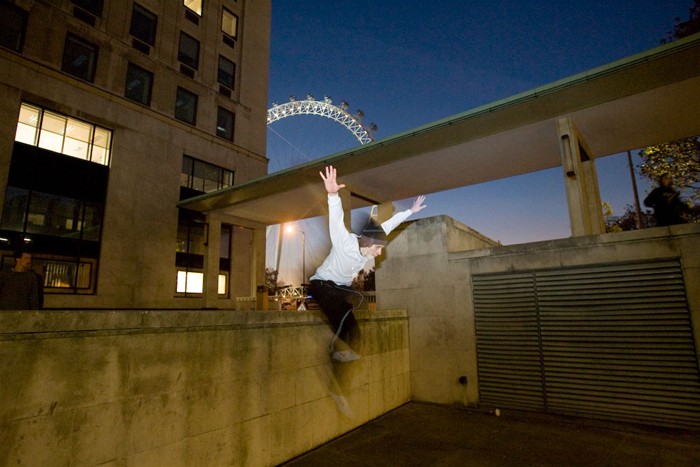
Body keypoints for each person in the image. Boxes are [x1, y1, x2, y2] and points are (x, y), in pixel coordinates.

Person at [309, 166, 427, 362]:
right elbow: (336, 220)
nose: (379, 253)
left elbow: (390, 224)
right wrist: (332, 195)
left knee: (356, 321)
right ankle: (333, 344)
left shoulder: (372, 241)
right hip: (322, 284)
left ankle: (341, 355)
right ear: (368, 242)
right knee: (343, 313)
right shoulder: (344, 242)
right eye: (378, 248)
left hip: (340, 287)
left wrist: (410, 211)